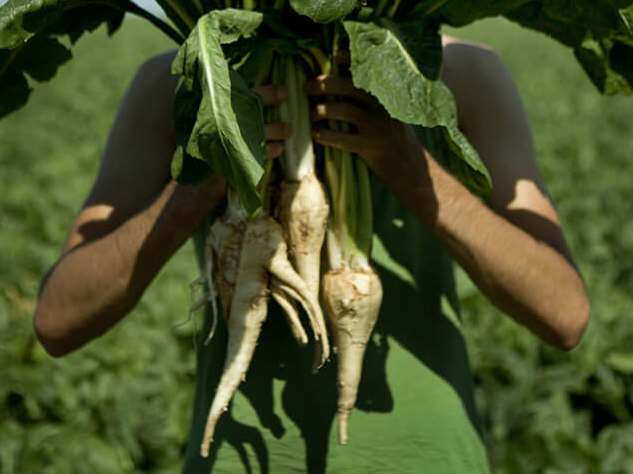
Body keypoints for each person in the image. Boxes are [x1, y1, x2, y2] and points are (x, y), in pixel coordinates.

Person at [33, 36, 590, 472]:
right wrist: (195, 186)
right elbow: (60, 319)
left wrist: (407, 168)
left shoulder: (462, 75)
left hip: (426, 460)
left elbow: (562, 313)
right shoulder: (178, 81)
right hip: (238, 461)